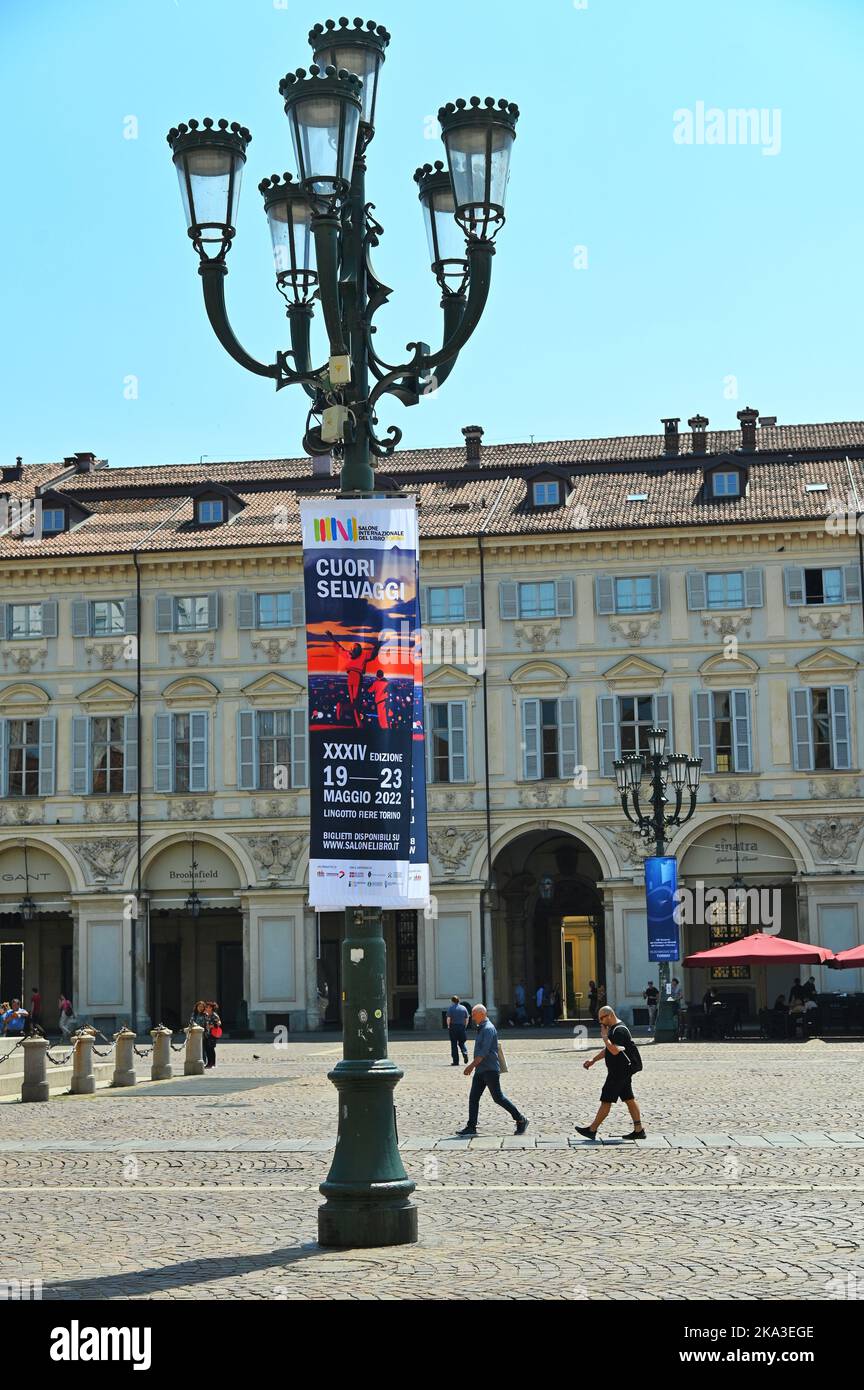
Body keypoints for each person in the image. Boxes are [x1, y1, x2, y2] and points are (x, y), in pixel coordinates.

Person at [576, 1004, 646, 1141]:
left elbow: (613, 1050)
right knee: (629, 1099)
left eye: (602, 1018)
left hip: (618, 1073)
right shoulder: (614, 1029)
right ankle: (639, 1130)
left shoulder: (619, 1031)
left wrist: (604, 1037)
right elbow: (608, 1049)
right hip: (622, 1071)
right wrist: (593, 1060)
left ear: (610, 1015)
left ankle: (592, 1129)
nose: (601, 1022)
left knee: (606, 1099)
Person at [456, 1005, 528, 1137]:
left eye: (474, 1014)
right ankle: (471, 1126)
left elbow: (483, 1052)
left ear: (482, 1014)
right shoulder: (482, 1028)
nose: (472, 1017)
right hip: (481, 1070)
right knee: (473, 1098)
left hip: (489, 1070)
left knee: (498, 1098)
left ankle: (521, 1119)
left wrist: (470, 1066)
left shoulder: (488, 1029)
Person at [326, 630, 385, 728]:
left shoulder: (348, 654)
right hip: (357, 677)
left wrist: (331, 638)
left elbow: (338, 647)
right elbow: (373, 654)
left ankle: (358, 723)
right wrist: (379, 643)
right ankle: (343, 707)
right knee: (355, 702)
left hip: (350, 677)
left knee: (354, 702)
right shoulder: (363, 655)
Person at [446, 995, 469, 1066]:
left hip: (453, 1027)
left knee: (454, 1044)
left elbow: (448, 1018)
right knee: (462, 1042)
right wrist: (465, 1026)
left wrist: (448, 1026)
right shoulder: (463, 1008)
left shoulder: (451, 1008)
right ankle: (465, 1052)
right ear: (459, 1000)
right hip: (461, 1027)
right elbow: (467, 1018)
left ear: (452, 1001)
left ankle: (456, 1061)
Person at [202, 1000, 222, 1069]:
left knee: (211, 1049)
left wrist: (211, 1026)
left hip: (213, 1034)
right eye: (206, 1007)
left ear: (211, 1008)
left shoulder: (214, 1015)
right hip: (206, 1034)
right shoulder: (206, 1015)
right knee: (207, 1049)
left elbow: (218, 1023)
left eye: (208, 1007)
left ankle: (213, 1063)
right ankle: (208, 1063)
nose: (206, 1008)